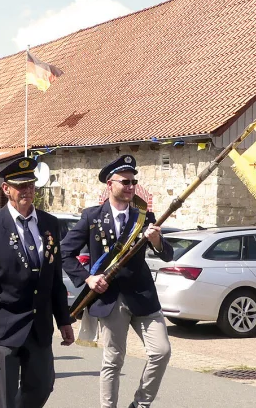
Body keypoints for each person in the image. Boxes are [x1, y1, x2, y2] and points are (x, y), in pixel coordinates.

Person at [60, 155, 174, 408]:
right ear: (110, 184)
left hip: (143, 296)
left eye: (134, 181)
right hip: (111, 298)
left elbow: (167, 254)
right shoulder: (92, 217)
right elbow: (64, 253)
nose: (131, 186)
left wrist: (156, 241)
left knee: (161, 352)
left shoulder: (144, 216)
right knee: (113, 360)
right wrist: (88, 278)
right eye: (125, 181)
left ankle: (140, 404)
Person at [0, 157, 74, 408]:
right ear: (6, 189)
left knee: (42, 386)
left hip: (39, 325)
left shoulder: (50, 224)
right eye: (21, 186)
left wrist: (64, 320)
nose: (27, 190)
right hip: (4, 326)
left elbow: (55, 279)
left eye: (30, 184)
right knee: (4, 396)